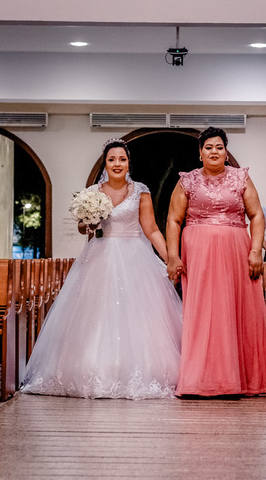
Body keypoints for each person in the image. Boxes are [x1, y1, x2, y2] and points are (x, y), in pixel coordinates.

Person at [22, 139, 182, 399]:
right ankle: (93, 368)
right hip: (100, 254)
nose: (117, 164)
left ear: (128, 162)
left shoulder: (140, 191)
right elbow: (82, 229)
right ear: (105, 163)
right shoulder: (93, 192)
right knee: (95, 314)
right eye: (112, 159)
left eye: (122, 159)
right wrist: (88, 221)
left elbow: (151, 229)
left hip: (134, 257)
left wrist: (169, 258)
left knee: (140, 315)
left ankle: (144, 369)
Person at [166, 128, 266, 397]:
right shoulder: (187, 181)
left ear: (226, 152)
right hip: (198, 253)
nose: (214, 152)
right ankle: (199, 378)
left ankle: (239, 379)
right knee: (202, 311)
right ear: (200, 152)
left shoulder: (241, 178)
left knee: (235, 308)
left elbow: (257, 216)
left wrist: (255, 251)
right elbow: (173, 219)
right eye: (208, 147)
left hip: (236, 251)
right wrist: (172, 256)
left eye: (219, 147)